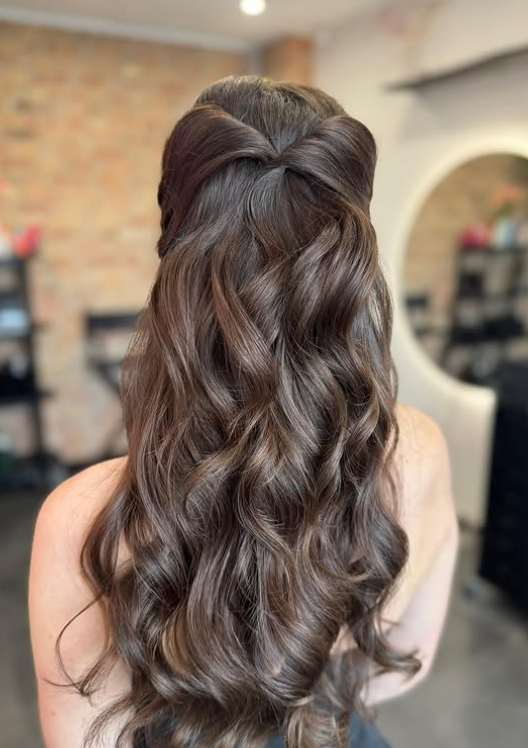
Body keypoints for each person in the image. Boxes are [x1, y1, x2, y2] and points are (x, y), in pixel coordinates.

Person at [28, 75, 459, 748]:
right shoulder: (419, 449)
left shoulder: (85, 519)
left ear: (175, 242)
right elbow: (403, 666)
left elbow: (83, 741)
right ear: (353, 252)